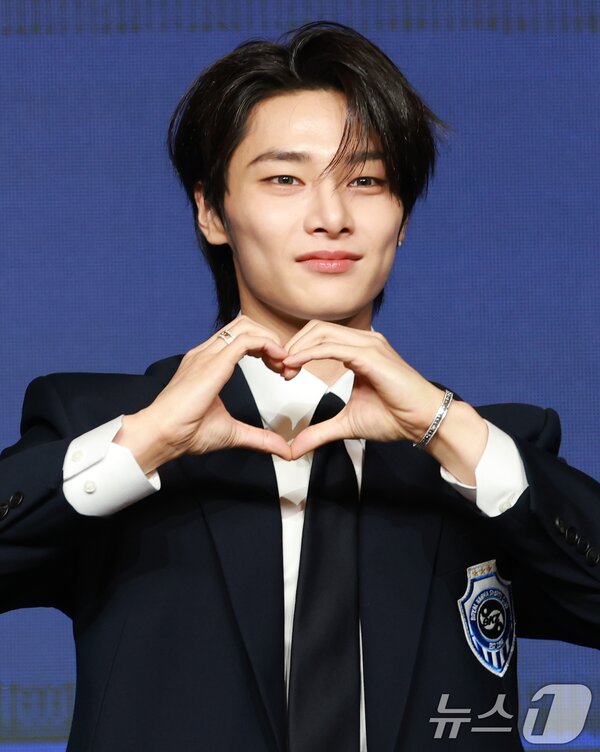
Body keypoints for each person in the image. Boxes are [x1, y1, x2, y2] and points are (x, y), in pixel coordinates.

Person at [1, 21, 599, 752]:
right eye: (284, 179)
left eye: (366, 181)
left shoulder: (485, 455)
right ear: (211, 211)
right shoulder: (99, 425)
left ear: (402, 218)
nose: (331, 217)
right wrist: (145, 441)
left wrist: (448, 429)